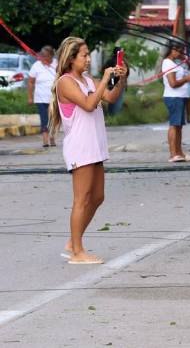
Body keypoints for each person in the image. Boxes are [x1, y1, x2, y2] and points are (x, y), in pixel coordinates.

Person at [49, 36, 127, 265]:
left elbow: (109, 97)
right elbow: (89, 104)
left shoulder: (87, 80)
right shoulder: (65, 82)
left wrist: (120, 79)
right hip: (80, 147)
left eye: (88, 55)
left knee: (98, 197)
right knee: (81, 200)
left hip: (95, 145)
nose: (88, 59)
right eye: (84, 55)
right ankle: (77, 252)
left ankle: (73, 242)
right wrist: (105, 78)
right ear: (71, 59)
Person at [161, 44, 190, 163]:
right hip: (174, 97)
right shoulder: (168, 63)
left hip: (180, 96)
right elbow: (173, 83)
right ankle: (173, 154)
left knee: (179, 126)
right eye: (179, 51)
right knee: (174, 125)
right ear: (172, 50)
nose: (181, 53)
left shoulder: (175, 63)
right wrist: (186, 79)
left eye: (182, 51)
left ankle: (179, 152)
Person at [28, 45, 57, 148]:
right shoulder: (36, 66)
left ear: (51, 56)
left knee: (53, 118)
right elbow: (30, 82)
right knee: (44, 118)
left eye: (46, 56)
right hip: (40, 98)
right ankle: (45, 139)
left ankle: (52, 137)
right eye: (42, 55)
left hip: (54, 98)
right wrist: (30, 97)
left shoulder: (56, 64)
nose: (43, 58)